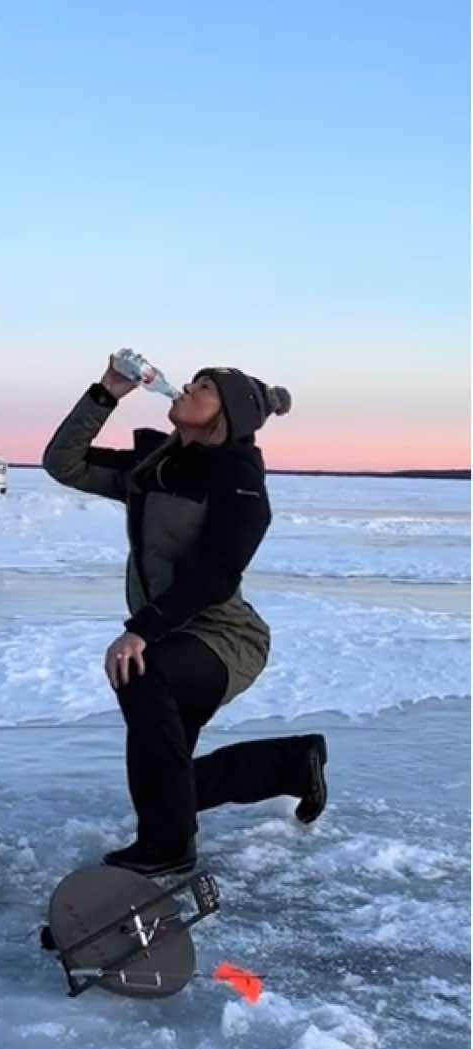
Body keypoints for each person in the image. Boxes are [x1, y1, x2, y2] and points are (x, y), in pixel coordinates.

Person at [42, 359, 328, 877]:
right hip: (168, 629)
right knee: (165, 784)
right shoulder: (153, 465)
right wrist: (105, 394)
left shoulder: (238, 479)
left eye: (204, 388)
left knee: (142, 679)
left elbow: (217, 575)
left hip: (223, 637)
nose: (187, 389)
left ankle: (169, 848)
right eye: (193, 382)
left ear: (226, 415)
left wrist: (139, 631)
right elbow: (64, 463)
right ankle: (290, 764)